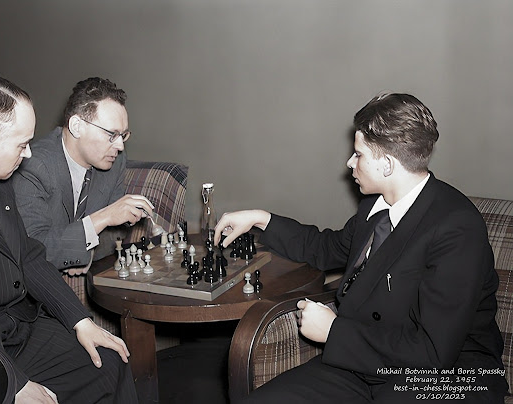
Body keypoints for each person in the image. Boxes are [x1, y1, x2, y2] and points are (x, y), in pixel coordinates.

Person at [214, 93, 508, 403]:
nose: (349, 163)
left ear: (386, 165)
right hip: (364, 362)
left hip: (447, 377)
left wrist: (334, 332)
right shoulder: (375, 207)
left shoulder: (457, 228)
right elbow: (326, 248)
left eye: (358, 155)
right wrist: (262, 220)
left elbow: (434, 352)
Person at [0, 74, 138, 403]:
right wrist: (11, 384)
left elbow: (29, 256)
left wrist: (80, 320)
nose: (30, 154)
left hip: (14, 330)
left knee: (109, 361)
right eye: (22, 144)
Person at [11, 77, 153, 332]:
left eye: (123, 135)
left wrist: (84, 248)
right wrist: (103, 218)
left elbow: (115, 237)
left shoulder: (114, 162)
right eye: (112, 134)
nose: (120, 146)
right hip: (26, 302)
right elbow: (33, 250)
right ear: (76, 126)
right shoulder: (32, 166)